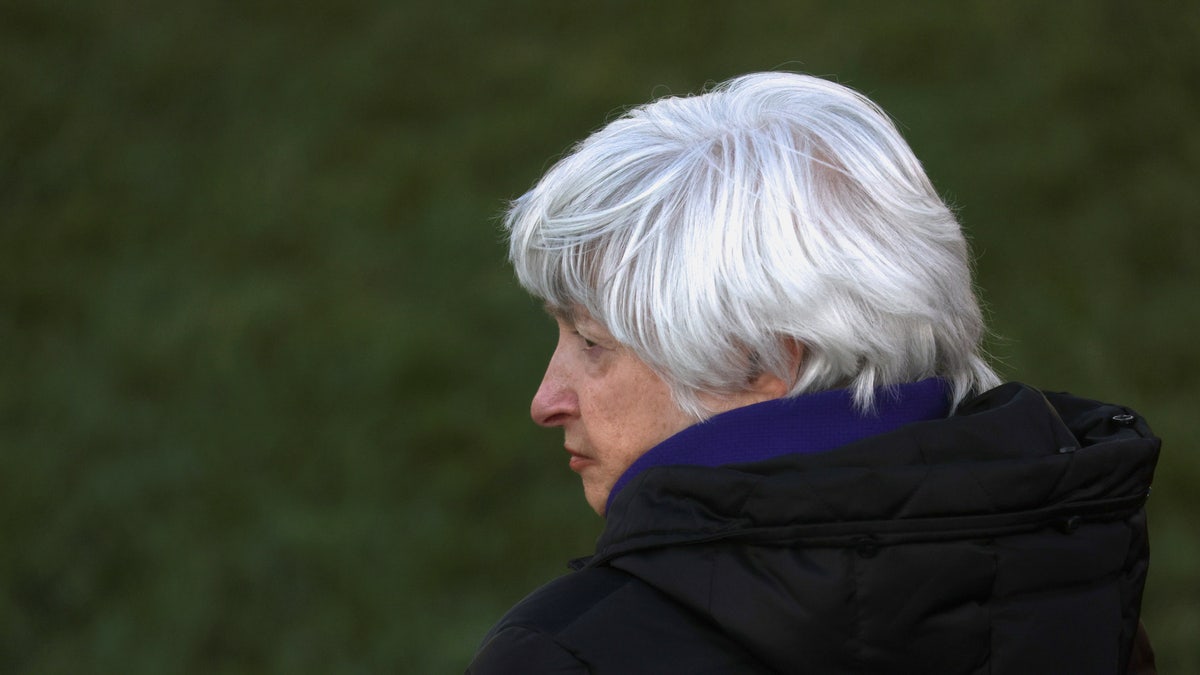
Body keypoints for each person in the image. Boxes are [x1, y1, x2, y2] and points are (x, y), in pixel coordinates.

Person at [467, 72, 1160, 674]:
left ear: (764, 361)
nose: (546, 399)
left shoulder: (571, 655)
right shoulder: (1076, 583)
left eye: (591, 341)